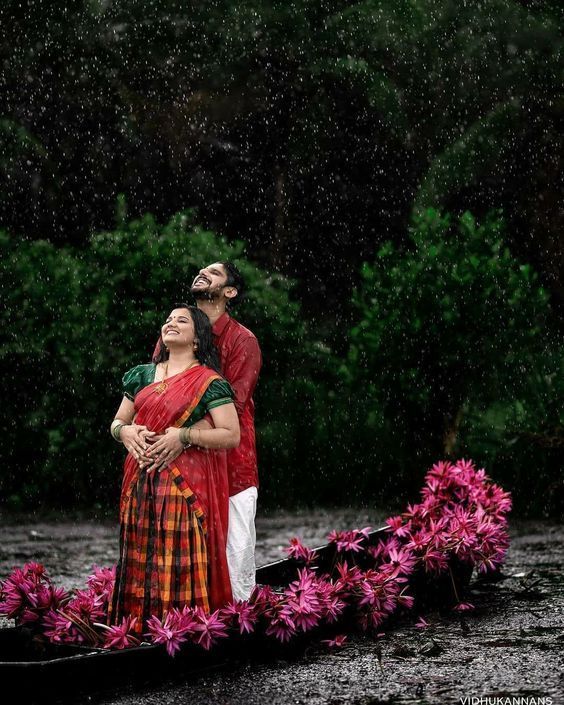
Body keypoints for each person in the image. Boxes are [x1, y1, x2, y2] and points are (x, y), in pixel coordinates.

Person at [108, 305, 240, 633]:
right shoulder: (140, 375)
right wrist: (124, 432)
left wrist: (183, 436)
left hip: (183, 485)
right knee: (143, 555)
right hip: (139, 478)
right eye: (167, 319)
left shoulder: (209, 382)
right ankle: (138, 629)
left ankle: (183, 630)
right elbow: (118, 422)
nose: (171, 323)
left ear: (197, 339)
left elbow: (230, 434)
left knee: (177, 556)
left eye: (182, 320)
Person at [151, 262, 262, 602]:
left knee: (233, 560)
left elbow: (235, 407)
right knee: (183, 557)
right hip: (181, 467)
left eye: (213, 273)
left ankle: (239, 630)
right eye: (201, 271)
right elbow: (157, 392)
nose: (203, 274)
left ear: (230, 292)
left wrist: (180, 436)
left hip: (231, 466)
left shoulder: (243, 341)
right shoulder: (176, 335)